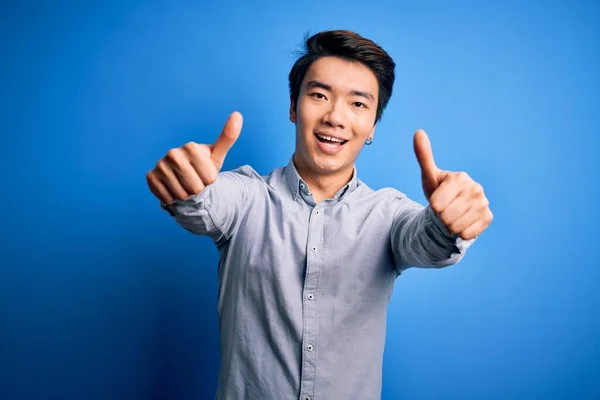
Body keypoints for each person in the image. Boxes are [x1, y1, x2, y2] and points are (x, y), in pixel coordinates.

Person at [146, 29, 493, 400]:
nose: (335, 117)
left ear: (373, 125)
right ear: (294, 107)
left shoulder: (389, 215)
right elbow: (204, 205)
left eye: (358, 104)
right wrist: (186, 187)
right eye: (319, 95)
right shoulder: (247, 196)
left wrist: (450, 222)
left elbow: (428, 240)